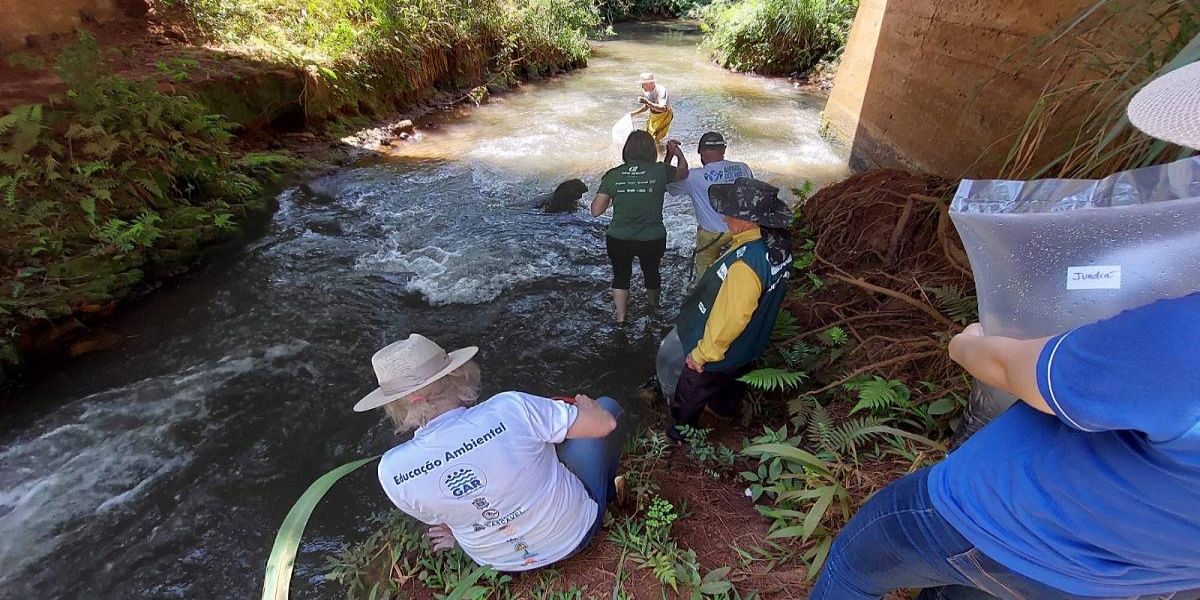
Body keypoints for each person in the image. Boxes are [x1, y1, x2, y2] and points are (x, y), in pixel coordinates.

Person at [812, 62, 1200, 600]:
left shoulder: (1181, 337)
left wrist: (968, 343)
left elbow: (1020, 372)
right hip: (1143, 581)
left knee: (855, 564)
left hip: (1013, 524)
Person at [355, 334, 625, 572]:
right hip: (575, 534)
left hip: (498, 564)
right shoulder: (510, 407)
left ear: (398, 406)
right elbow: (604, 425)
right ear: (456, 375)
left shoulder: (391, 469)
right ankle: (610, 496)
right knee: (608, 406)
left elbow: (440, 515)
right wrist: (588, 407)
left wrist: (457, 532)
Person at [659, 177, 792, 440]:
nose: (724, 218)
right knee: (730, 385)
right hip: (747, 347)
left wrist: (702, 355)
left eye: (731, 212)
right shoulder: (778, 247)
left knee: (692, 392)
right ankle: (723, 413)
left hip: (718, 351)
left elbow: (733, 316)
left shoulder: (746, 264)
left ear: (750, 219)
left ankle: (678, 438)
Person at [591, 130, 687, 324]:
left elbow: (595, 211)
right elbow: (682, 172)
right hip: (652, 238)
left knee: (620, 275)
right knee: (652, 272)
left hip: (619, 238)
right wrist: (677, 153)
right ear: (651, 150)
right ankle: (653, 308)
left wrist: (617, 196)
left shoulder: (613, 175)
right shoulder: (660, 171)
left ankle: (621, 317)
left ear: (627, 150)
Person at [666, 132, 754, 283]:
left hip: (712, 234)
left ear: (701, 152)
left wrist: (674, 156)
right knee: (743, 268)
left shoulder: (692, 177)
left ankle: (704, 291)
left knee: (704, 270)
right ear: (723, 150)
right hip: (742, 230)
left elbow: (665, 182)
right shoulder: (742, 168)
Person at [629, 72, 673, 148]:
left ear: (651, 83)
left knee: (656, 139)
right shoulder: (646, 91)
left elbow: (663, 108)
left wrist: (647, 101)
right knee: (648, 136)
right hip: (654, 116)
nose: (642, 87)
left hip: (664, 116)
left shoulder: (661, 91)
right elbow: (647, 106)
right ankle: (656, 150)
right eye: (641, 84)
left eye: (644, 84)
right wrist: (633, 113)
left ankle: (660, 154)